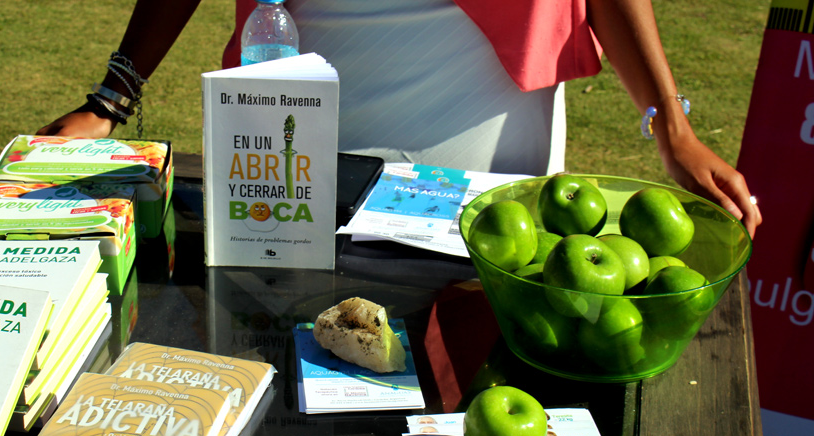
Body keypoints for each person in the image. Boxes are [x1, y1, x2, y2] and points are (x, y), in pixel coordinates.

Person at [38, 0, 760, 237]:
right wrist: (111, 99)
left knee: (466, 365)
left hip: (485, 109)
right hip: (298, 104)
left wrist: (672, 125)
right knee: (280, 350)